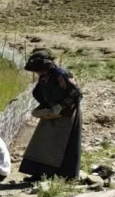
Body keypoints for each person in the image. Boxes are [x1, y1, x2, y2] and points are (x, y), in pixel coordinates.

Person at [18, 49, 83, 180]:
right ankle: (40, 174)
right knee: (42, 144)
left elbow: (76, 94)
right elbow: (39, 93)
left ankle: (64, 177)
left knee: (63, 146)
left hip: (67, 114)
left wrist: (61, 107)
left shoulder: (61, 74)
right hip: (51, 112)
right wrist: (44, 109)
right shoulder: (44, 76)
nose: (37, 73)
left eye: (38, 70)